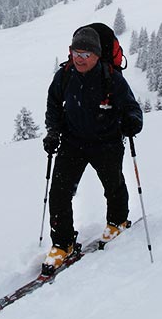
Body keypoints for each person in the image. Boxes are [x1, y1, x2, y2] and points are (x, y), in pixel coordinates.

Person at [41, 26, 143, 275]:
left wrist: (132, 121)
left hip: (106, 142)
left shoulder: (111, 77)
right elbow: (53, 105)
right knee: (60, 192)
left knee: (113, 183)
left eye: (86, 54)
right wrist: (53, 131)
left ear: (97, 56)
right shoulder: (64, 76)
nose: (80, 58)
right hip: (73, 142)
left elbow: (132, 107)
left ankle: (117, 221)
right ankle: (62, 244)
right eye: (77, 52)